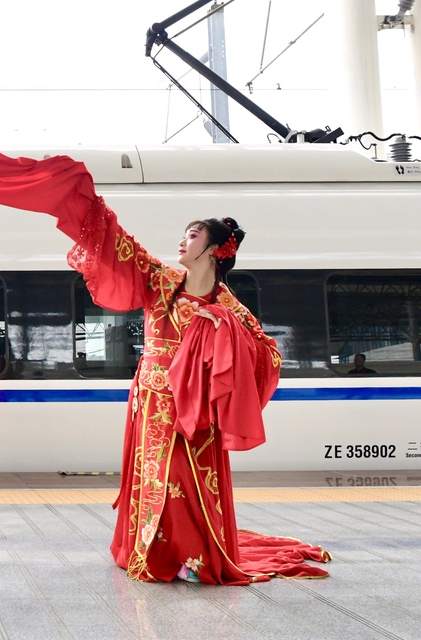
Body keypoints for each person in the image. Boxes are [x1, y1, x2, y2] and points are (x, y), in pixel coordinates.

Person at [68, 197, 330, 584]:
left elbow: (268, 354)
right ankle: (157, 550)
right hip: (153, 399)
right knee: (157, 473)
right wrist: (89, 210)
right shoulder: (161, 279)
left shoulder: (227, 304)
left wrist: (225, 326)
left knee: (188, 480)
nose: (182, 242)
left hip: (198, 407)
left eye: (192, 236)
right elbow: (121, 248)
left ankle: (192, 555)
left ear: (213, 251)